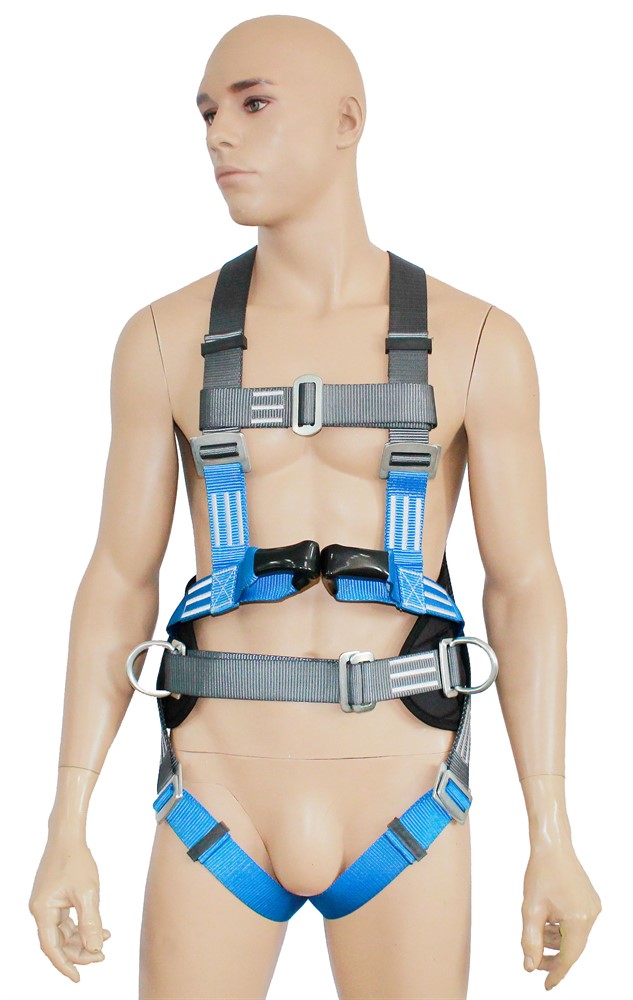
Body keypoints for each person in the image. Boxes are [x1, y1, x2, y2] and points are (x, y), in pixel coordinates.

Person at [29, 13, 601, 999]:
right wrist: (64, 822)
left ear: (347, 121)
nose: (219, 133)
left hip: (403, 796)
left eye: (253, 104)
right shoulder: (161, 340)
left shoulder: (479, 342)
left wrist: (553, 831)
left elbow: (525, 588)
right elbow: (118, 580)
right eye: (207, 112)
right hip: (217, 794)